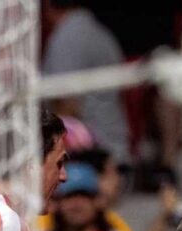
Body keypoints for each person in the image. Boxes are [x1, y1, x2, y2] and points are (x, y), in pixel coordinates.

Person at [42, 0, 131, 164]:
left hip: (92, 157)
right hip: (116, 149)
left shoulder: (67, 37)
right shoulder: (101, 33)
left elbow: (66, 106)